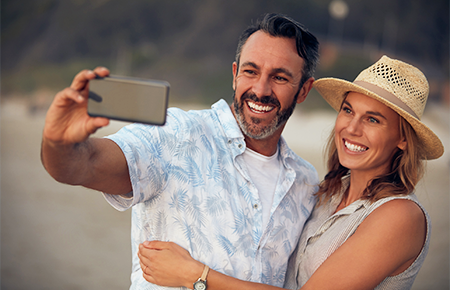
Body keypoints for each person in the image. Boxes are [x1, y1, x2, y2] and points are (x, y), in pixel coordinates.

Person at [40, 13, 320, 289]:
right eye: (251, 71)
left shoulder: (305, 183)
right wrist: (58, 143)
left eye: (280, 78)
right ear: (235, 75)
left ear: (303, 90)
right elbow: (83, 165)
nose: (260, 89)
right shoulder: (175, 134)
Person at [137, 55, 445, 290]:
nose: (351, 128)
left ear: (403, 139)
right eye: (348, 111)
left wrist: (196, 275)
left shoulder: (400, 216)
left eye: (373, 120)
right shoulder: (326, 192)